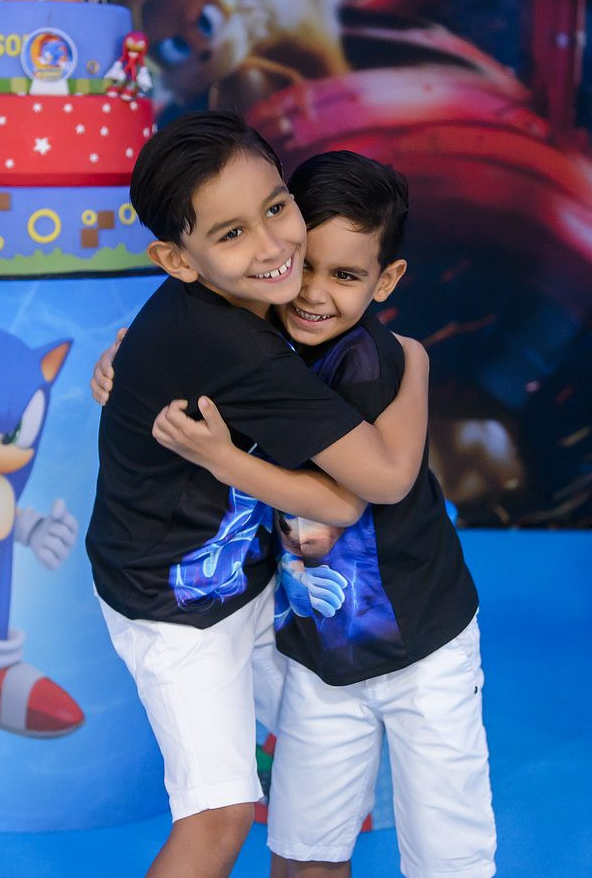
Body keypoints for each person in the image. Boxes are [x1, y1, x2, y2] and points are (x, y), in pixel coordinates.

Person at [86, 112, 430, 878]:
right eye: (233, 233)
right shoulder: (238, 345)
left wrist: (126, 356)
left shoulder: (252, 294)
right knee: (219, 815)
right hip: (175, 607)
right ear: (177, 261)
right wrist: (417, 364)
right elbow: (373, 484)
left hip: (249, 577)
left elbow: (181, 328)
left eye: (277, 207)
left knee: (325, 771)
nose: (275, 248)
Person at [146, 151, 497, 878]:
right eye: (304, 264)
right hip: (318, 657)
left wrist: (224, 458)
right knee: (303, 851)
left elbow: (379, 487)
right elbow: (182, 339)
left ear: (385, 281)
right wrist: (121, 359)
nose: (311, 293)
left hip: (425, 649)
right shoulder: (251, 341)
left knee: (448, 856)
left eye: (344, 275)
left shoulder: (373, 360)